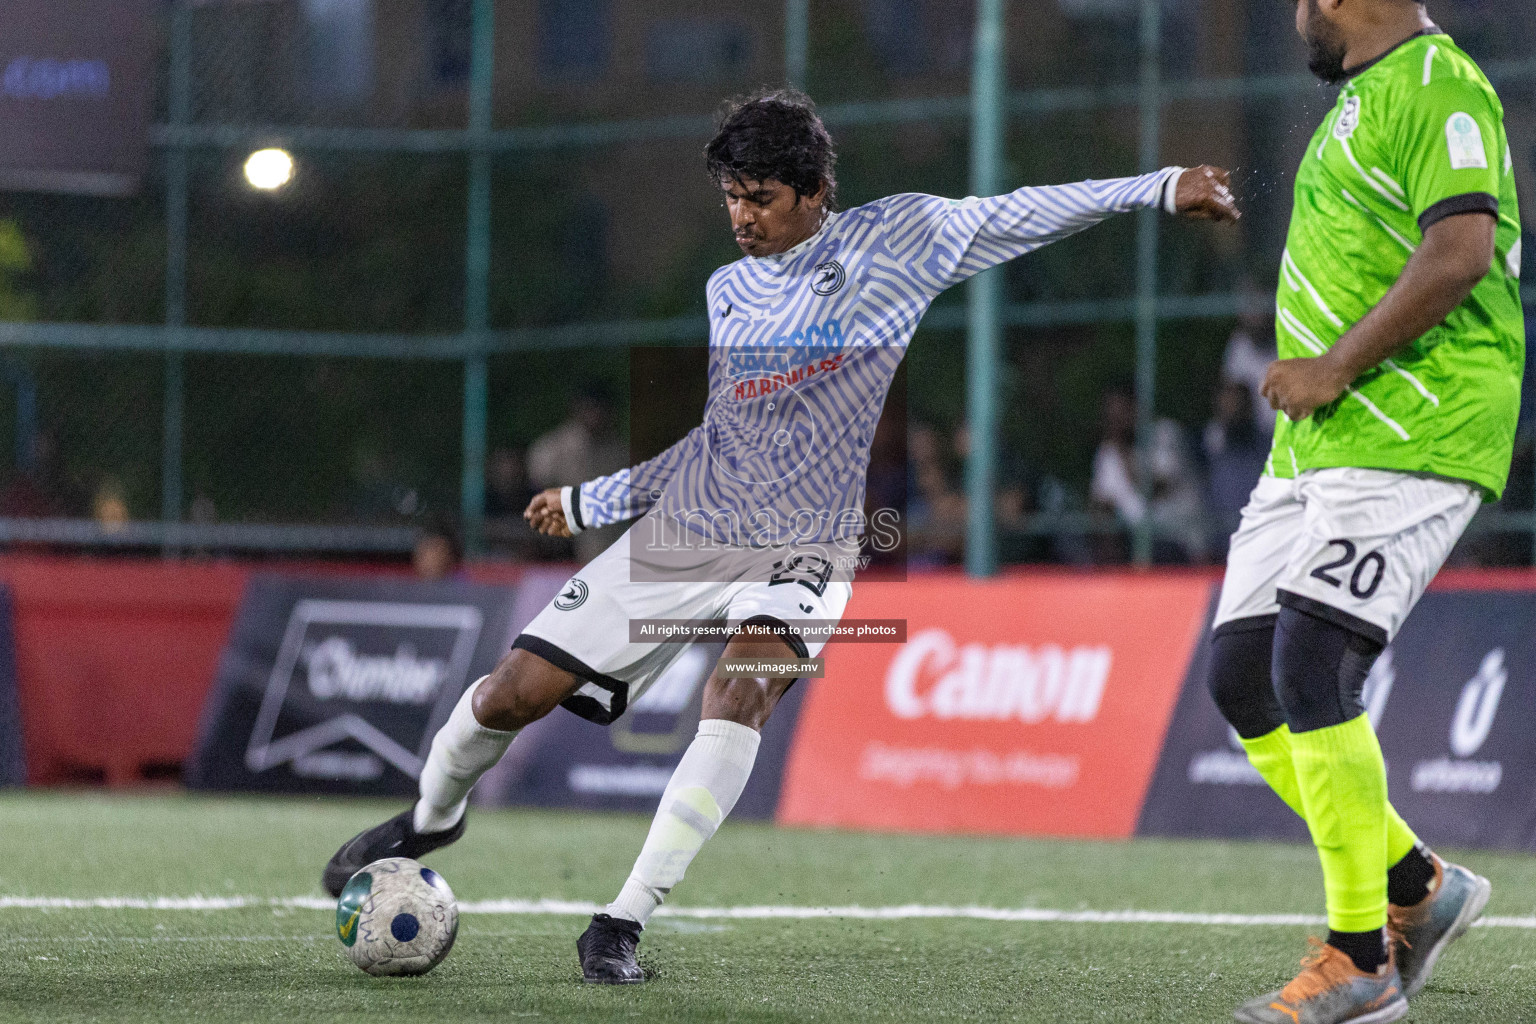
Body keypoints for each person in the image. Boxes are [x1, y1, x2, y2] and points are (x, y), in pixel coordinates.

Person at [321, 89, 1238, 984]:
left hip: (810, 542)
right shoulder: (729, 290)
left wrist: (1158, 186)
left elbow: (1022, 211)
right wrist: (596, 499)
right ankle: (433, 819)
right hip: (696, 526)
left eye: (759, 198)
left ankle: (620, 921)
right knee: (511, 694)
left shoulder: (895, 241)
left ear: (812, 192)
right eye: (730, 197)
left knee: (743, 687)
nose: (741, 216)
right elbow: (720, 437)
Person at [1205, 4, 1522, 1022]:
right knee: (1243, 674)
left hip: (1412, 430)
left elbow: (1463, 250)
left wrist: (1336, 364)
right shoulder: (1365, 97)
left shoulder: (1439, 86)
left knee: (1309, 661)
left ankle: (1361, 962)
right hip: (1324, 441)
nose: (1299, 12)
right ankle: (1419, 884)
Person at [1089, 388, 1208, 563]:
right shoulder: (1108, 452)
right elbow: (1101, 504)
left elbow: (1150, 490)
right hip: (1132, 544)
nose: (1116, 421)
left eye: (1121, 413)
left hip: (1178, 542)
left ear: (1136, 409)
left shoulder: (1165, 433)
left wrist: (1122, 450)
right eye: (1111, 415)